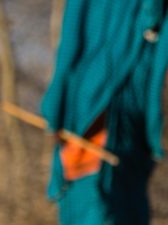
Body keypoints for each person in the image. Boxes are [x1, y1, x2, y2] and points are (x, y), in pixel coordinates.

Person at [40, 1, 167, 224]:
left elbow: (70, 43)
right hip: (103, 107)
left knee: (106, 196)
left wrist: (55, 102)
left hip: (108, 103)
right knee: (98, 193)